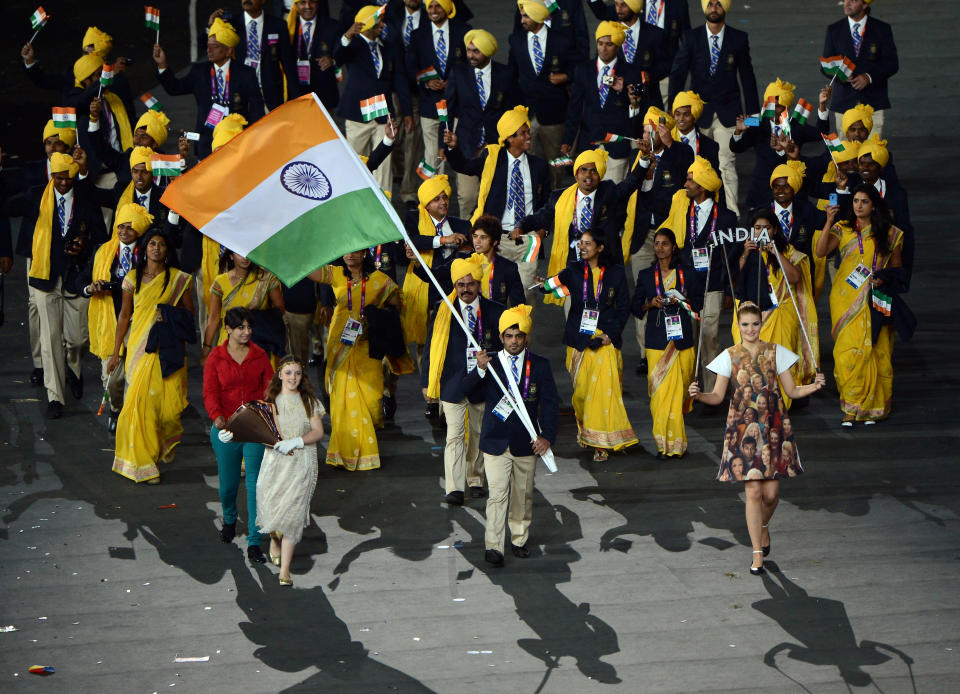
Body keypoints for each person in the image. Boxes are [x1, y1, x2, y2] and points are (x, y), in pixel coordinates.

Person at [689, 301, 825, 575]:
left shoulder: (776, 352)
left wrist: (814, 386)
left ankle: (764, 527)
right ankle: (757, 553)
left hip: (774, 426)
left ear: (761, 325)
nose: (750, 329)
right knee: (753, 490)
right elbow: (716, 396)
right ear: (737, 326)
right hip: (742, 427)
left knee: (772, 494)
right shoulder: (729, 355)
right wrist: (698, 395)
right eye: (745, 324)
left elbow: (792, 390)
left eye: (754, 324)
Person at [465, 305, 559, 566]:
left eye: (518, 336)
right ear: (501, 337)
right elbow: (469, 392)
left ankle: (519, 539)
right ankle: (493, 546)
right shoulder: (490, 362)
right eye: (508, 336)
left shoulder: (539, 365)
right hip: (495, 442)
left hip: (527, 443)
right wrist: (480, 370)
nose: (514, 341)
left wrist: (547, 437)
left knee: (523, 494)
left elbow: (550, 405)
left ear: (526, 337)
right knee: (497, 495)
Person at [24, 151, 107, 418]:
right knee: (49, 340)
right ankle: (55, 397)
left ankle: (73, 366)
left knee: (80, 339)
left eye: (67, 178)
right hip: (44, 278)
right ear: (51, 176)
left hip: (76, 277)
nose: (63, 183)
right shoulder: (37, 195)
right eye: (58, 178)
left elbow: (101, 237)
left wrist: (83, 248)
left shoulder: (84, 197)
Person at [109, 229, 195, 484]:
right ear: (144, 249)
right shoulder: (132, 279)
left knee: (167, 410)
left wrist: (168, 314)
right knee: (138, 406)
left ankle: (164, 443)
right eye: (152, 244)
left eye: (161, 244)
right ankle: (143, 463)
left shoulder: (178, 280)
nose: (156, 248)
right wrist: (116, 352)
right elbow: (124, 316)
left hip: (167, 350)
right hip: (139, 349)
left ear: (167, 250)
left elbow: (189, 315)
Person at [541, 229, 636, 461]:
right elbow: (548, 287)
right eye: (580, 243)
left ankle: (601, 443)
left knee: (603, 394)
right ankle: (586, 430)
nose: (582, 247)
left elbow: (624, 308)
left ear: (600, 247)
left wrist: (610, 336)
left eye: (587, 243)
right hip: (579, 340)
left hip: (605, 341)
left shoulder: (615, 273)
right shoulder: (573, 270)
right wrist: (544, 284)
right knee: (582, 395)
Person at [815, 184, 905, 426]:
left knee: (877, 350)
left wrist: (882, 278)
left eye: (864, 201)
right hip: (846, 298)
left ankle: (872, 408)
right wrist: (828, 221)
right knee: (846, 353)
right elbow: (821, 251)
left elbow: (897, 271)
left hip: (877, 297)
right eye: (855, 201)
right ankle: (850, 407)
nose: (858, 205)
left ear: (873, 205)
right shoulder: (842, 228)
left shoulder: (891, 233)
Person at [443, 105, 550, 303]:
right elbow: (465, 166)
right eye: (523, 133)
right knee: (491, 293)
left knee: (525, 294)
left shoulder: (539, 166)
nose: (529, 136)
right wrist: (453, 148)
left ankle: (521, 333)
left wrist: (542, 231)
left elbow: (546, 204)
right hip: (496, 239)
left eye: (528, 132)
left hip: (527, 240)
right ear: (510, 138)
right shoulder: (492, 158)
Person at [308, 251, 403, 470]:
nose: (350, 255)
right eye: (346, 251)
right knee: (343, 397)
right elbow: (308, 272)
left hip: (368, 345)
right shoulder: (336, 275)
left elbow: (396, 304)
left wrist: (375, 317)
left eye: (355, 251)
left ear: (364, 253)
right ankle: (348, 454)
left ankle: (359, 443)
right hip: (340, 343)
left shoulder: (379, 279)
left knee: (371, 401)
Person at [422, 254, 505, 504]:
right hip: (453, 383)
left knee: (478, 434)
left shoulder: (495, 311)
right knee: (454, 436)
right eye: (460, 285)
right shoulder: (443, 310)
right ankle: (454, 488)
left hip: (483, 382)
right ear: (454, 286)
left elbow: (505, 349)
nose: (465, 290)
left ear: (479, 284)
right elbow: (430, 348)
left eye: (470, 284)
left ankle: (476, 478)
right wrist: (427, 382)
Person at [519, 149, 644, 314]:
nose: (588, 175)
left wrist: (644, 162)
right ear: (576, 174)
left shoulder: (609, 192)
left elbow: (630, 184)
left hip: (604, 271)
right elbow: (541, 217)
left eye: (593, 171)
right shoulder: (560, 197)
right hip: (574, 271)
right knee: (574, 323)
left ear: (600, 175)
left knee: (604, 327)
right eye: (583, 170)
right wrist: (521, 226)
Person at [668, 0, 760, 216]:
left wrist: (754, 116)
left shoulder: (738, 38)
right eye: (710, 4)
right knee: (693, 163)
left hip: (728, 114)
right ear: (704, 8)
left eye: (719, 4)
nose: (714, 7)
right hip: (697, 114)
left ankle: (732, 215)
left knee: (726, 163)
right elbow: (678, 72)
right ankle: (691, 212)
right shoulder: (692, 37)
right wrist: (674, 108)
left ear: (725, 8)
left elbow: (747, 76)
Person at [655, 156, 737, 392]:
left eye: (691, 180)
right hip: (685, 287)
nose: (686, 184)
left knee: (709, 338)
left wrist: (728, 291)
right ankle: (688, 389)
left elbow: (730, 257)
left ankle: (712, 391)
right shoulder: (681, 209)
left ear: (702, 186)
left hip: (712, 286)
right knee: (686, 338)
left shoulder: (726, 217)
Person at [623, 107, 695, 372]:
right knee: (644, 292)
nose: (646, 134)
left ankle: (678, 345)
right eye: (644, 129)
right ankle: (645, 353)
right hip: (643, 236)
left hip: (672, 236)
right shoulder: (636, 157)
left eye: (651, 129)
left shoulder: (680, 153)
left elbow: (687, 169)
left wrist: (668, 146)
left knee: (675, 292)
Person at [204, 307, 275, 562]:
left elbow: (270, 382)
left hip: (254, 426)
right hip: (225, 429)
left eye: (249, 327)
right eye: (241, 328)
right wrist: (217, 416)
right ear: (228, 329)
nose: (246, 332)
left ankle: (255, 541)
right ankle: (230, 519)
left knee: (255, 484)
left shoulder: (259, 355)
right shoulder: (216, 358)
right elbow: (210, 392)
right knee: (228, 485)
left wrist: (269, 396)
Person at [77, 202, 152, 433]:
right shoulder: (103, 253)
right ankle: (116, 409)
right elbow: (80, 282)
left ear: (138, 230)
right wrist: (91, 289)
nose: (123, 231)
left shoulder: (150, 253)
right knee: (114, 378)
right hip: (110, 323)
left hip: (139, 321)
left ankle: (132, 419)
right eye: (121, 226)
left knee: (137, 376)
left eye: (129, 227)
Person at [733, 208, 818, 405]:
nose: (762, 231)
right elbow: (732, 280)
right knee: (752, 363)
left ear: (775, 231)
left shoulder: (786, 251)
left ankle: (780, 405)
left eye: (766, 228)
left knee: (779, 361)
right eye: (757, 228)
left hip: (781, 314)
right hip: (751, 318)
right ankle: (755, 404)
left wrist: (776, 253)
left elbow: (796, 278)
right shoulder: (745, 251)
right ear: (750, 230)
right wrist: (745, 253)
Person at [254, 356, 326, 586]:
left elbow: (317, 432)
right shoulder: (271, 401)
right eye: (288, 373)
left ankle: (284, 571)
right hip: (275, 463)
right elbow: (262, 433)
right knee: (273, 511)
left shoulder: (309, 401)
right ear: (280, 375)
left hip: (301, 462)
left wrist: (296, 442)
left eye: (297, 373)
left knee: (293, 515)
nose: (293, 378)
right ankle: (274, 537)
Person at [562, 20, 662, 183]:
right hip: (589, 145)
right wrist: (567, 139)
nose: (603, 48)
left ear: (617, 46)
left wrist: (625, 93)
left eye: (608, 44)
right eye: (600, 43)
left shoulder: (632, 73)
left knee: (613, 196)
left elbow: (639, 110)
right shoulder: (583, 70)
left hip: (617, 148)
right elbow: (574, 108)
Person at [631, 229, 702, 458]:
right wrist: (650, 303)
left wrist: (681, 301)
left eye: (665, 244)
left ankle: (674, 441)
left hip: (681, 340)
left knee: (679, 393)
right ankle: (667, 446)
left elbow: (699, 304)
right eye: (657, 244)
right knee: (661, 396)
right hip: (656, 341)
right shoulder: (645, 275)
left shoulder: (688, 274)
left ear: (673, 247)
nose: (660, 247)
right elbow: (635, 307)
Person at [153, 18, 266, 157]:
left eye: (215, 46)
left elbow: (256, 109)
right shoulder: (199, 72)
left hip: (237, 141)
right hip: (206, 144)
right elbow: (174, 88)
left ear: (229, 50)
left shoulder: (245, 73)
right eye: (208, 45)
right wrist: (162, 65)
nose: (209, 50)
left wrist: (253, 138)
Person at [443, 29, 514, 218]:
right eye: (469, 50)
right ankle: (466, 238)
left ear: (488, 52)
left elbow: (511, 110)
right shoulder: (458, 73)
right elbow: (447, 110)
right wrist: (445, 143)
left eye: (476, 51)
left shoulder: (505, 74)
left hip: (495, 146)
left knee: (494, 195)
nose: (471, 55)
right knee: (466, 197)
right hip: (466, 144)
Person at [401, 175, 471, 361]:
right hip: (425, 290)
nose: (443, 202)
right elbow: (412, 241)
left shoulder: (462, 226)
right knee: (426, 345)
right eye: (437, 199)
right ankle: (427, 385)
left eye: (445, 197)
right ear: (426, 205)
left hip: (454, 292)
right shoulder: (413, 218)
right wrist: (443, 240)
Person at [508, 1, 574, 188]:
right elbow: (512, 75)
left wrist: (566, 76)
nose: (522, 21)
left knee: (556, 161)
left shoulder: (562, 41)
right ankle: (533, 200)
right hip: (526, 115)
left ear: (538, 17)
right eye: (521, 16)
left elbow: (579, 68)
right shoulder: (516, 41)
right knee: (527, 161)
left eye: (526, 16)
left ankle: (556, 197)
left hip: (554, 114)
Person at [730, 78, 821, 211]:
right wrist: (738, 131)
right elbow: (736, 148)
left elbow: (820, 133)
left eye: (778, 106)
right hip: (761, 192)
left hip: (791, 192)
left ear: (786, 108)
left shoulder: (796, 127)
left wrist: (822, 107)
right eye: (770, 105)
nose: (772, 110)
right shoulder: (757, 124)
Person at [406, 0, 471, 180]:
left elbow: (471, 65)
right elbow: (411, 68)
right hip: (430, 105)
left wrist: (454, 81)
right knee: (433, 156)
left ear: (448, 8)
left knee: (461, 153)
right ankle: (433, 200)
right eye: (430, 7)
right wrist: (426, 82)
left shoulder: (464, 31)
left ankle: (466, 202)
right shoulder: (418, 35)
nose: (434, 11)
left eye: (438, 6)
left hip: (458, 106)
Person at [821, 0, 898, 138]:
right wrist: (842, 75)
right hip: (844, 102)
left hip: (873, 102)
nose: (847, 3)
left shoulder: (882, 29)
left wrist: (869, 77)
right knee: (846, 155)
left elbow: (892, 63)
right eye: (846, 0)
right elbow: (825, 65)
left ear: (865, 5)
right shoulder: (834, 30)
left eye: (853, 0)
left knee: (872, 153)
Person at [206, 1, 297, 112]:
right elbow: (206, 47)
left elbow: (289, 65)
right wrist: (210, 26)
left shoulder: (278, 25)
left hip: (270, 94)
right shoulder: (231, 24)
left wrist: (295, 100)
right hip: (239, 94)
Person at [202, 252, 285, 361]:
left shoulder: (266, 279)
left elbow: (280, 309)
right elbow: (213, 317)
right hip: (228, 344)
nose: (245, 258)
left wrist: (254, 317)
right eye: (240, 254)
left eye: (248, 254)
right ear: (231, 256)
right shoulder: (220, 281)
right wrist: (206, 348)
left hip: (259, 341)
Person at [585, 0, 670, 81]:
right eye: (616, 4)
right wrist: (613, 82)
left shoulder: (655, 34)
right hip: (615, 94)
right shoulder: (608, 34)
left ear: (634, 6)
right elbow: (600, 69)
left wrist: (649, 76)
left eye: (624, 5)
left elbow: (666, 65)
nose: (619, 9)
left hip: (647, 93)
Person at [286, 0, 341, 110]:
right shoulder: (287, 27)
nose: (308, 6)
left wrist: (333, 60)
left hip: (325, 96)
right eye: (302, 2)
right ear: (295, 6)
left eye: (312, 2)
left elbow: (343, 52)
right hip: (296, 96)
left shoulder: (332, 26)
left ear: (318, 3)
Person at [671, 90, 719, 170]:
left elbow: (715, 178)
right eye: (677, 114)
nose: (681, 119)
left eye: (686, 115)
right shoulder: (666, 142)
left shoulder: (711, 146)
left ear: (695, 117)